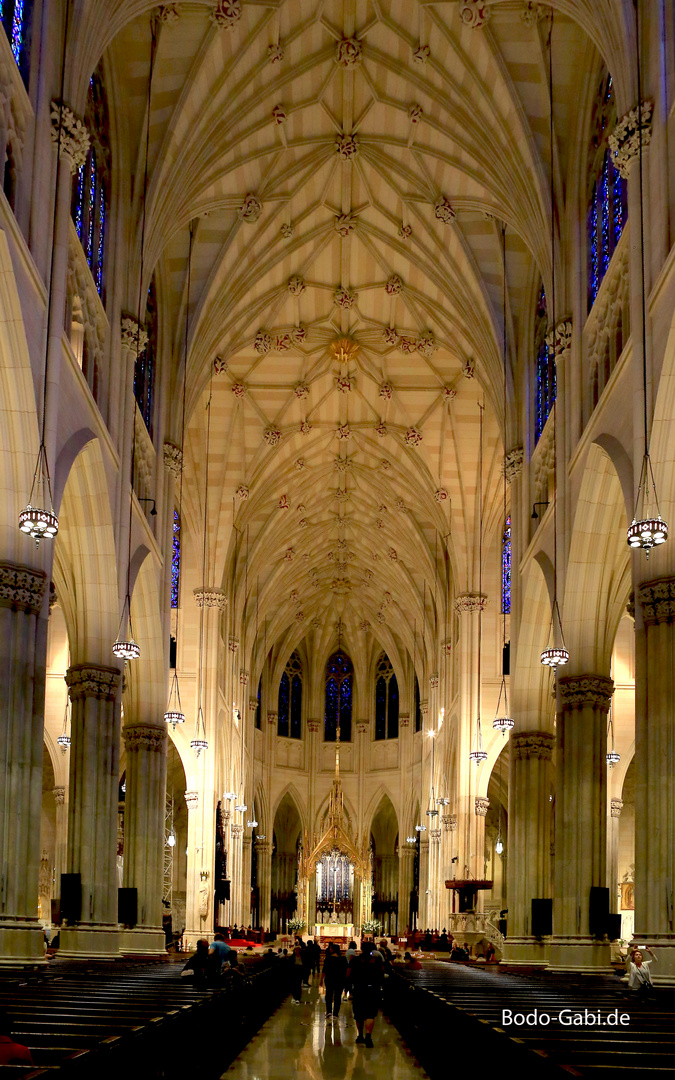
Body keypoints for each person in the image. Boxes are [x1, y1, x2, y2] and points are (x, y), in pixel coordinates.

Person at [347, 940, 384, 1049]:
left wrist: (349, 988)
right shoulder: (377, 960)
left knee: (359, 1013)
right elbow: (381, 974)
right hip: (372, 989)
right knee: (370, 1014)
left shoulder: (355, 960)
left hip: (359, 989)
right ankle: (368, 1035)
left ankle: (360, 1035)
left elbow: (348, 974)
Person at [321, 942, 347, 1020]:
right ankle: (335, 1013)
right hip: (340, 979)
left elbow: (324, 970)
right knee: (337, 996)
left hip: (329, 979)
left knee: (328, 995)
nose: (329, 949)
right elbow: (346, 969)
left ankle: (329, 1011)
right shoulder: (343, 959)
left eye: (331, 948)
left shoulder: (328, 959)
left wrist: (321, 980)